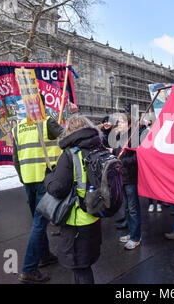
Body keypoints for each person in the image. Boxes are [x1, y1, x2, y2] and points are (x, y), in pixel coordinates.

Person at [44, 115, 102, 284]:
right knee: (84, 265)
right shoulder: (99, 148)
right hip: (94, 214)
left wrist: (48, 177)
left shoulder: (70, 154)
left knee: (80, 268)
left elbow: (58, 189)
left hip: (76, 220)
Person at [13, 108, 64, 283]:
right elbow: (66, 138)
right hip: (45, 178)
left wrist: (23, 177)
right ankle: (29, 269)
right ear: (40, 105)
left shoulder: (18, 125)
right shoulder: (47, 121)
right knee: (39, 224)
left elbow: (15, 158)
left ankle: (44, 255)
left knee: (38, 222)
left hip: (29, 179)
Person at [109, 113, 141, 250]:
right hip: (122, 176)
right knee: (127, 207)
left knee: (133, 209)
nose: (118, 124)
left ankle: (136, 237)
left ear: (129, 125)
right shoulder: (118, 136)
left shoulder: (134, 137)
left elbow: (137, 158)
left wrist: (120, 161)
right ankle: (131, 232)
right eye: (118, 122)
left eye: (122, 122)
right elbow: (118, 151)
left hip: (131, 177)